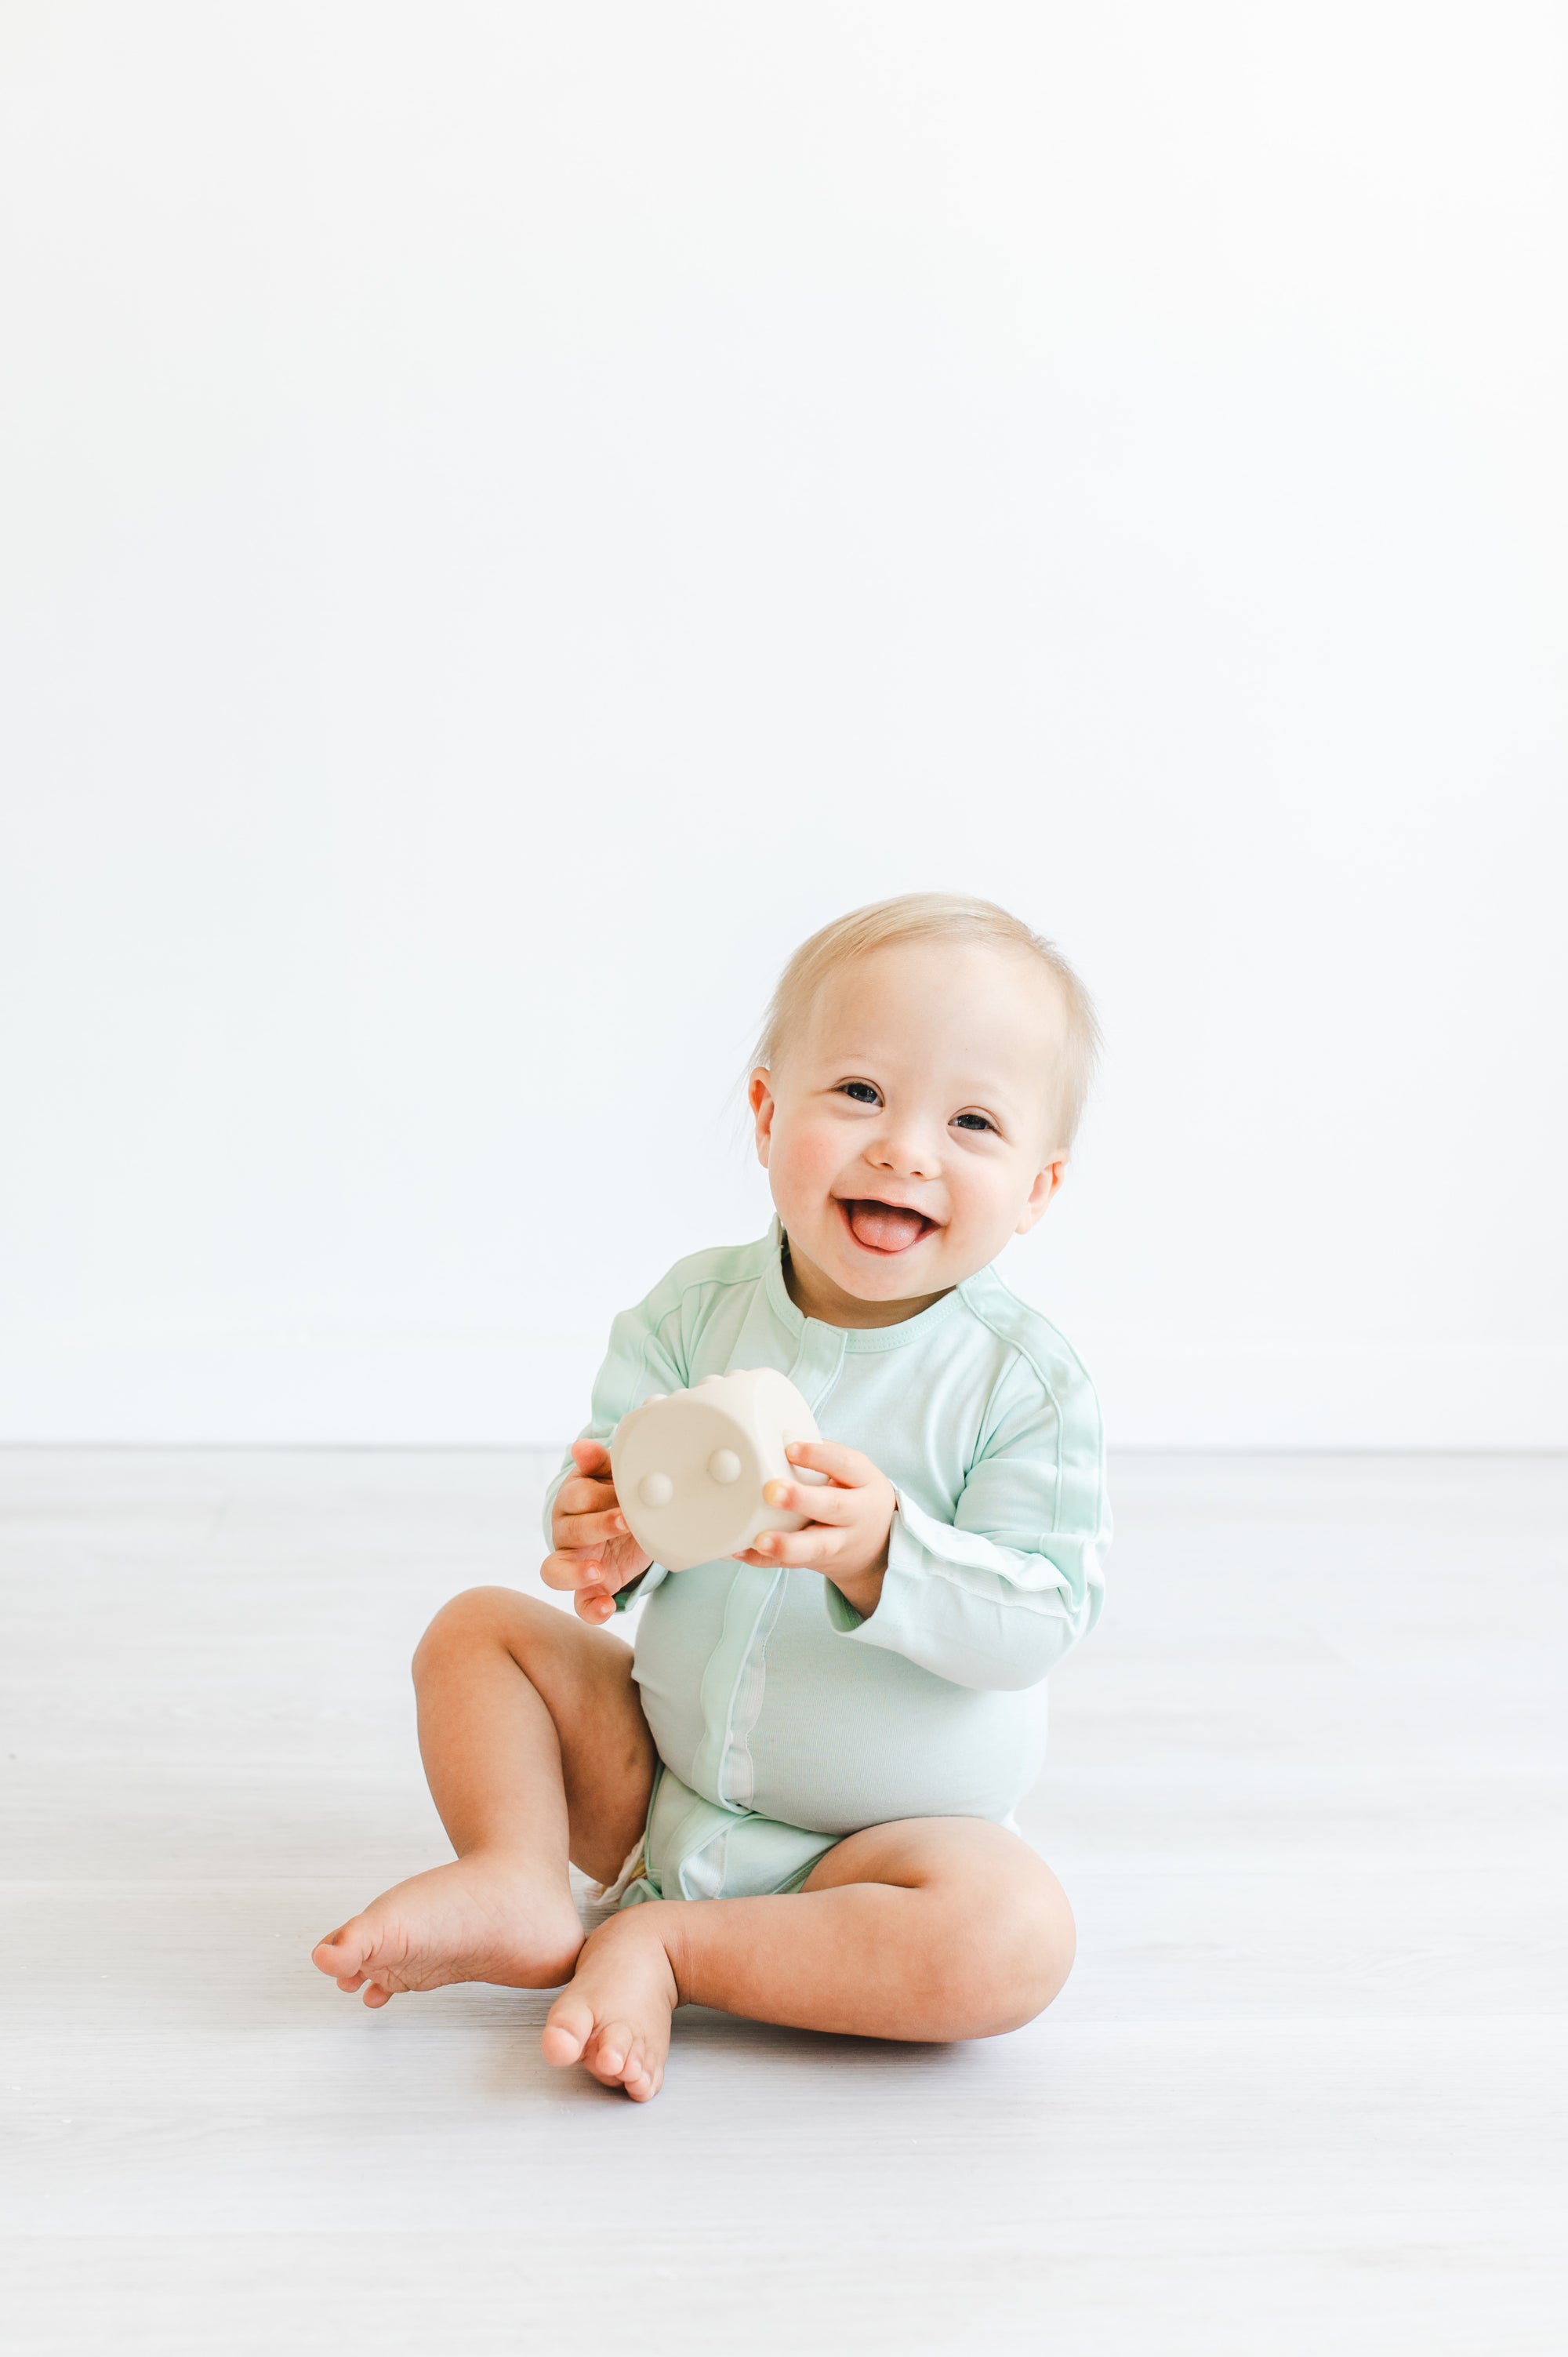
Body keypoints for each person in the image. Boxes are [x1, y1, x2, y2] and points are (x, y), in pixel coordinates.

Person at [312, 892, 1109, 2101]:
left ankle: (672, 1945)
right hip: (660, 1788)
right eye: (859, 1093)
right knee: (477, 1633)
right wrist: (601, 1532)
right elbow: (616, 1487)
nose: (905, 1147)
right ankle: (523, 1874)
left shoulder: (1023, 1386)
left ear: (1039, 1188)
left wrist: (887, 1552)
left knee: (1015, 1932)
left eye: (975, 1120)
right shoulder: (691, 1315)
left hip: (879, 1851)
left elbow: (1044, 1615)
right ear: (763, 1109)